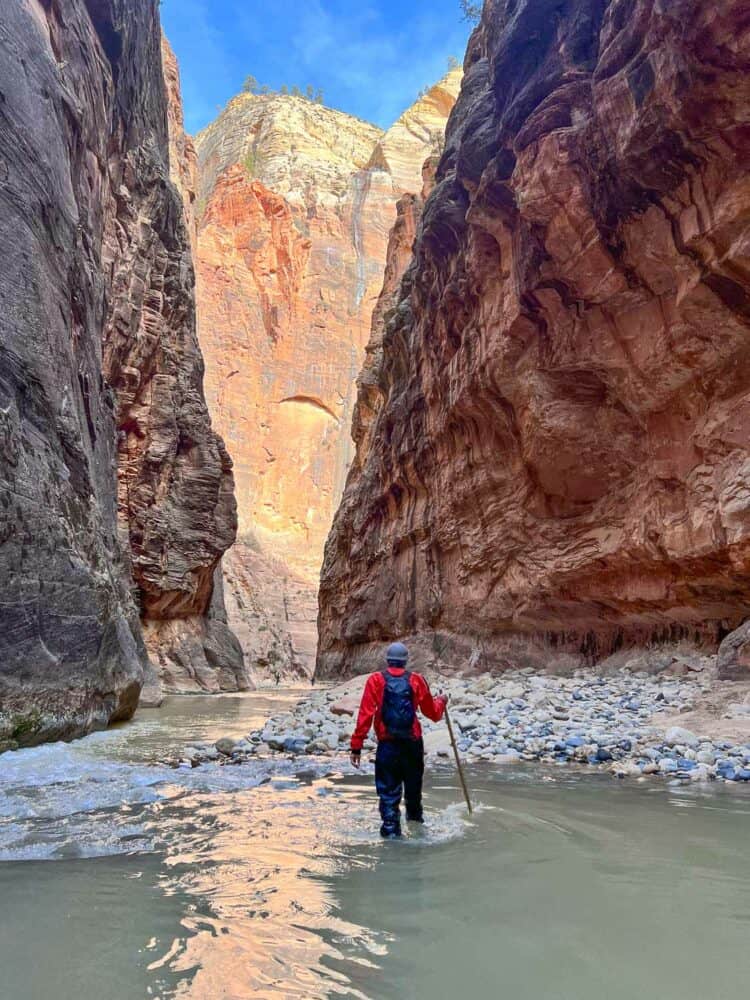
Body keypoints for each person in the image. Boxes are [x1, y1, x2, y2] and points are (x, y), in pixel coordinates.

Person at [349, 642, 447, 838]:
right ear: (406, 661)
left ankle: (392, 838)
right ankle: (417, 833)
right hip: (412, 745)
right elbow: (433, 714)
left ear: (387, 660)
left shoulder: (375, 680)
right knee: (413, 794)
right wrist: (442, 701)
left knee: (388, 797)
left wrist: (356, 746)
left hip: (387, 746)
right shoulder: (417, 680)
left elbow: (366, 715)